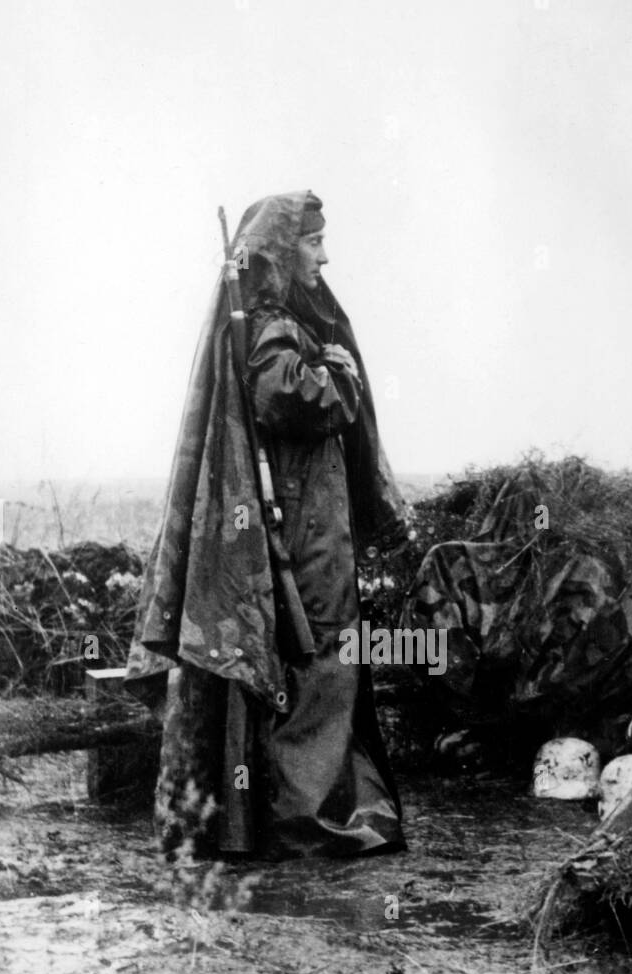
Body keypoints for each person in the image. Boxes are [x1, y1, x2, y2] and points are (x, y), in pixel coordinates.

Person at [126, 191, 408, 860]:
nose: (325, 254)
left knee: (312, 670)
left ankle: (278, 819)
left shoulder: (273, 320)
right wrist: (340, 371)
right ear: (284, 252)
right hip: (305, 538)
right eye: (313, 242)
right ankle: (307, 821)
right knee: (319, 669)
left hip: (306, 528)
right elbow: (284, 393)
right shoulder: (276, 326)